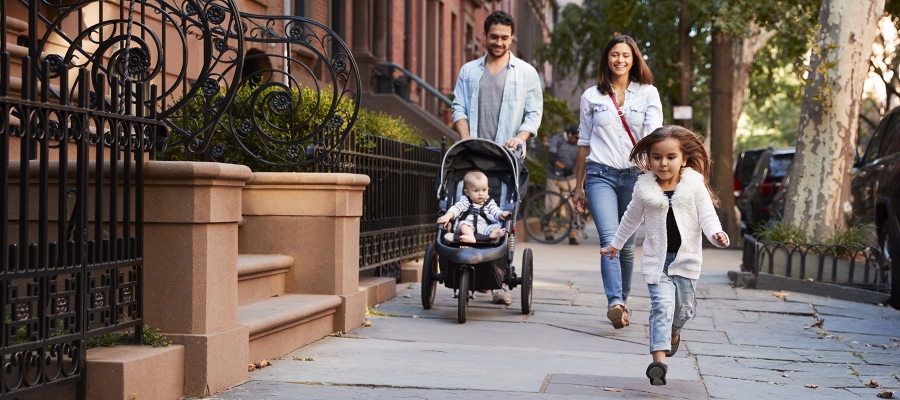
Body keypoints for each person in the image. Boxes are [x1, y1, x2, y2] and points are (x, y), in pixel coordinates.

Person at [599, 126, 730, 386]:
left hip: (687, 261)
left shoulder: (694, 185)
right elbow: (630, 218)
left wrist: (716, 234)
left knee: (683, 311)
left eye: (671, 157)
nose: (663, 163)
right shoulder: (644, 188)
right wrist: (616, 244)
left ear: (684, 159)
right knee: (662, 307)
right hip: (657, 262)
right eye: (657, 157)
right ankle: (658, 362)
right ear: (649, 159)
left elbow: (707, 215)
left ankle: (674, 331)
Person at [451, 10, 543, 305]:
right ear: (485, 36)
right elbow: (458, 108)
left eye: (505, 37)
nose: (499, 42)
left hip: (507, 158)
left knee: (503, 215)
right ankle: (469, 269)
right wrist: (465, 138)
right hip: (473, 156)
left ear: (512, 37)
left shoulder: (526, 73)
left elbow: (534, 114)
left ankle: (499, 282)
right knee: (467, 212)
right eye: (494, 37)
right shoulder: (469, 71)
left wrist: (521, 137)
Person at [573, 35, 663, 328]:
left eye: (625, 55)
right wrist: (578, 185)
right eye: (614, 54)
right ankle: (614, 301)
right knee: (610, 238)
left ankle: (621, 304)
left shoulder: (648, 93)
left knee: (626, 244)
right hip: (600, 175)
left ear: (634, 59)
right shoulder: (591, 96)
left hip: (636, 177)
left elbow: (656, 136)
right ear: (607, 59)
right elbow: (584, 142)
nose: (620, 60)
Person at [437, 170, 510, 243]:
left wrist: (501, 214)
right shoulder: (465, 201)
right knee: (462, 224)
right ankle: (470, 237)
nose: (481, 193)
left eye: (484, 190)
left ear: (488, 189)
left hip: (486, 229)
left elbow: (495, 211)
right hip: (469, 227)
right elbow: (455, 209)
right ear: (467, 192)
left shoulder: (489, 202)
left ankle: (494, 234)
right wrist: (447, 216)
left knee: (496, 226)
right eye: (476, 191)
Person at [545, 125, 580, 245]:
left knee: (573, 207)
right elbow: (551, 157)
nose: (577, 140)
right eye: (576, 137)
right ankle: (549, 233)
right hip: (554, 177)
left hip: (570, 178)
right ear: (569, 134)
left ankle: (573, 235)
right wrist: (564, 168)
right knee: (552, 205)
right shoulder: (557, 139)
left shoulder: (579, 144)